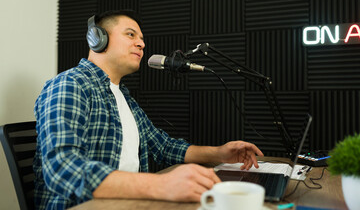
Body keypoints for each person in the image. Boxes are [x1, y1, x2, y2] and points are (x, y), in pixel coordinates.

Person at [33, 10, 264, 209]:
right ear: (98, 39)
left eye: (142, 38)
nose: (142, 44)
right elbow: (62, 167)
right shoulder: (70, 85)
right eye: (130, 35)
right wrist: (162, 185)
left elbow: (162, 147)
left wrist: (219, 153)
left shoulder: (122, 95)